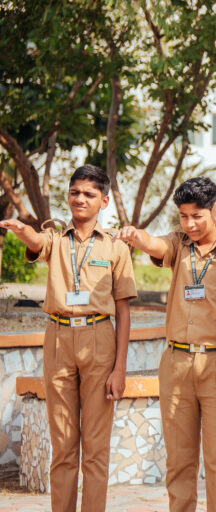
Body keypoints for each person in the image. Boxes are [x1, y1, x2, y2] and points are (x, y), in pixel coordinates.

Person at [114, 177, 216, 512]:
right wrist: (137, 237)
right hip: (176, 365)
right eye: (183, 216)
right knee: (179, 462)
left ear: (214, 211)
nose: (190, 224)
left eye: (197, 217)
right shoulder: (179, 244)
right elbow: (155, 245)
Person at [1, 165, 136, 512]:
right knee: (62, 446)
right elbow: (37, 242)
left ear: (104, 201)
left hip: (100, 339)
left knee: (95, 447)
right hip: (58, 339)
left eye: (89, 194)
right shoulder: (56, 239)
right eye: (75, 192)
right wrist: (22, 231)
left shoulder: (116, 248)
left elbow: (124, 312)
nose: (80, 199)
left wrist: (120, 368)